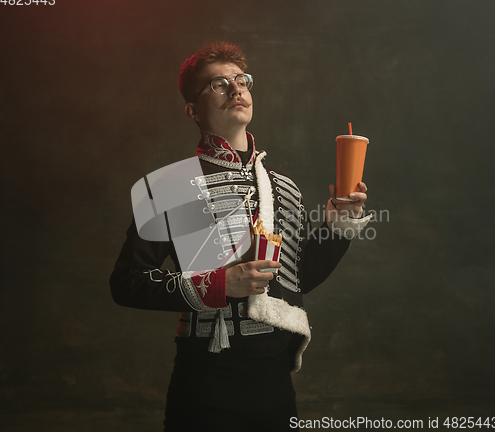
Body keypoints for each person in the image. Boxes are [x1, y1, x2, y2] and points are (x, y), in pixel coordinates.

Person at [110, 40, 370, 431]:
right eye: (218, 84)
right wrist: (218, 284)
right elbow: (126, 283)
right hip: (207, 384)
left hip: (276, 385)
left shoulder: (284, 188)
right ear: (193, 110)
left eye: (242, 80)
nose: (236, 89)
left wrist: (338, 224)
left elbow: (297, 281)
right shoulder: (171, 186)